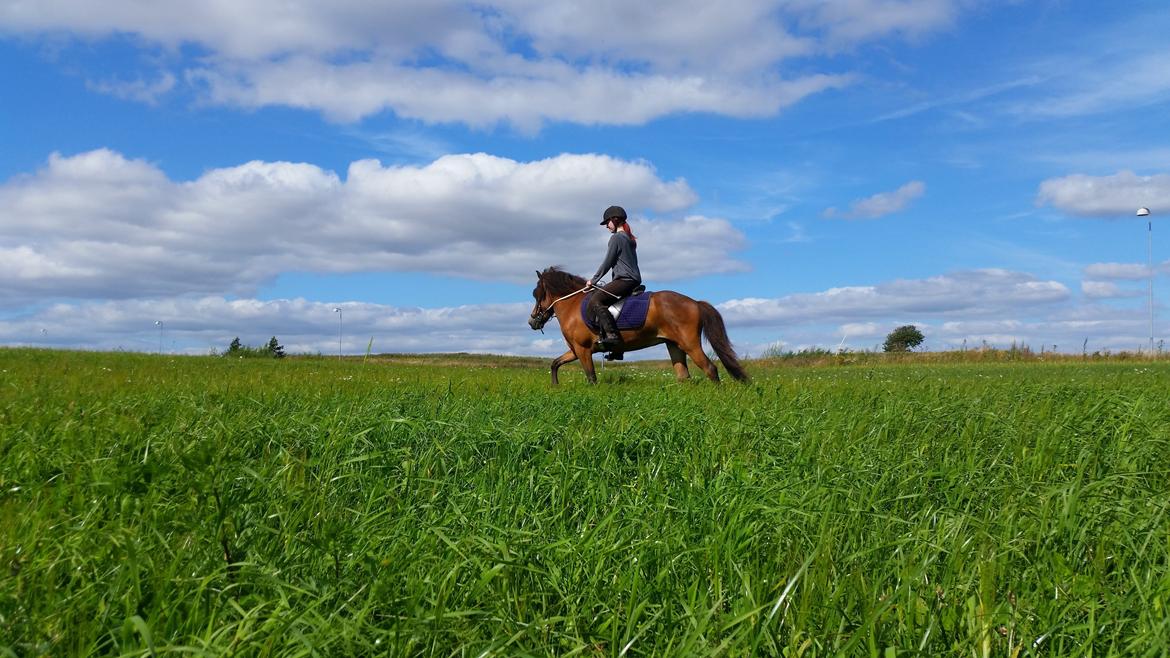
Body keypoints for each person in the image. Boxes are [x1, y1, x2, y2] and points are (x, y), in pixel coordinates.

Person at [587, 205, 641, 351]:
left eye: (607, 223)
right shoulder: (629, 238)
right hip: (633, 280)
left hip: (624, 280)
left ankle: (612, 336)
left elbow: (608, 262)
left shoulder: (616, 238)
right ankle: (618, 351)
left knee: (596, 300)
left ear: (615, 220)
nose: (606, 226)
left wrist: (594, 280)